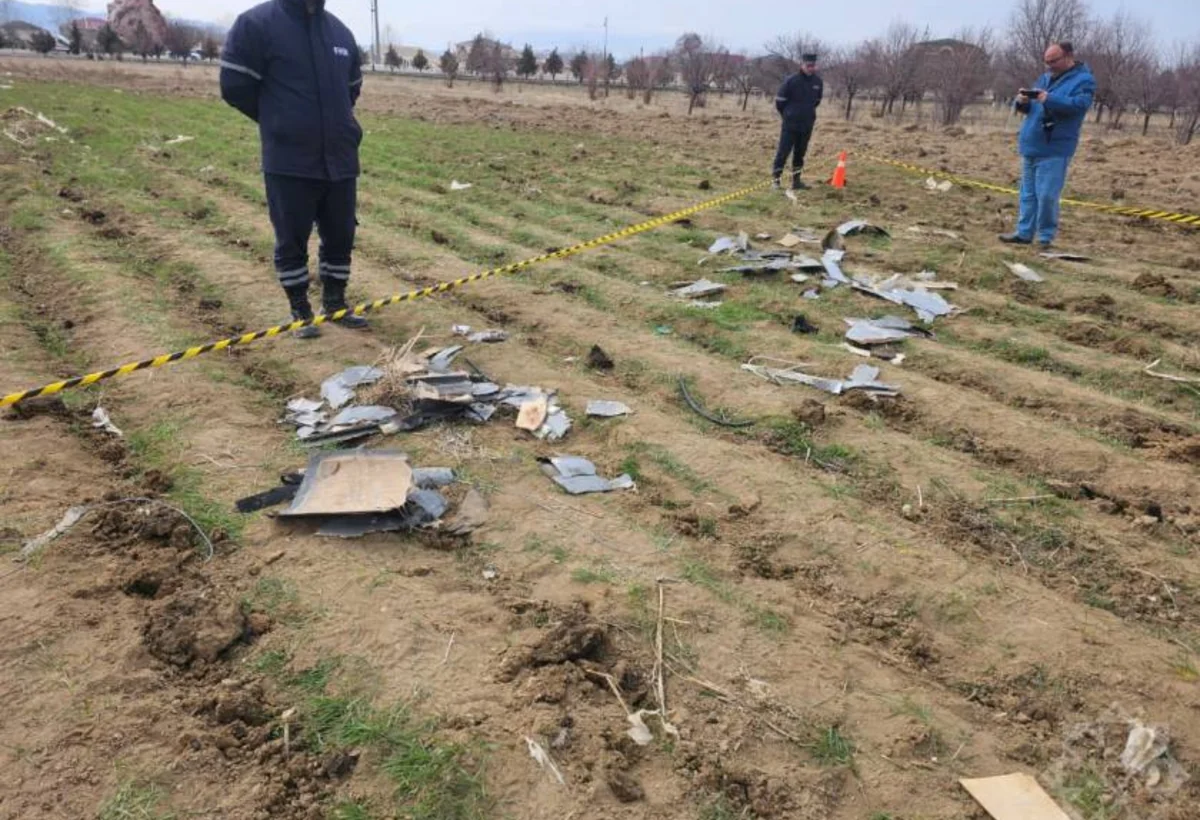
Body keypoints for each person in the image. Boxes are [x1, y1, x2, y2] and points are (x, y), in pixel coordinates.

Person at [219, 0, 367, 338]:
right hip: (290, 160)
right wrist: (281, 121)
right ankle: (300, 309)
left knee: (341, 234)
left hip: (340, 158)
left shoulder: (340, 33)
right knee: (292, 237)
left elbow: (351, 89)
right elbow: (235, 87)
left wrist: (337, 125)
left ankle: (335, 301)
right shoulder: (256, 25)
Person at [1000, 42, 1095, 249]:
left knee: (1047, 196)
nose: (1049, 66)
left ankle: (1045, 238)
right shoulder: (1044, 78)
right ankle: (1024, 233)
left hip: (1055, 147)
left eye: (1053, 61)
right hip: (1032, 144)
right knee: (1028, 194)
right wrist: (1023, 102)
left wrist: (1049, 98)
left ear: (1068, 56)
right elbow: (1032, 109)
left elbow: (1078, 106)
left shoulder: (1084, 81)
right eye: (1046, 62)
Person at [772, 54, 823, 190]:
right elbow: (780, 101)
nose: (811, 68)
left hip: (806, 125)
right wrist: (789, 115)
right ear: (802, 65)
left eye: (813, 66)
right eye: (808, 66)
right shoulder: (791, 81)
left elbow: (817, 101)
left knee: (800, 153)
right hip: (790, 125)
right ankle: (776, 181)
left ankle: (796, 181)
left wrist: (807, 114)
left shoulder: (817, 82)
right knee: (783, 152)